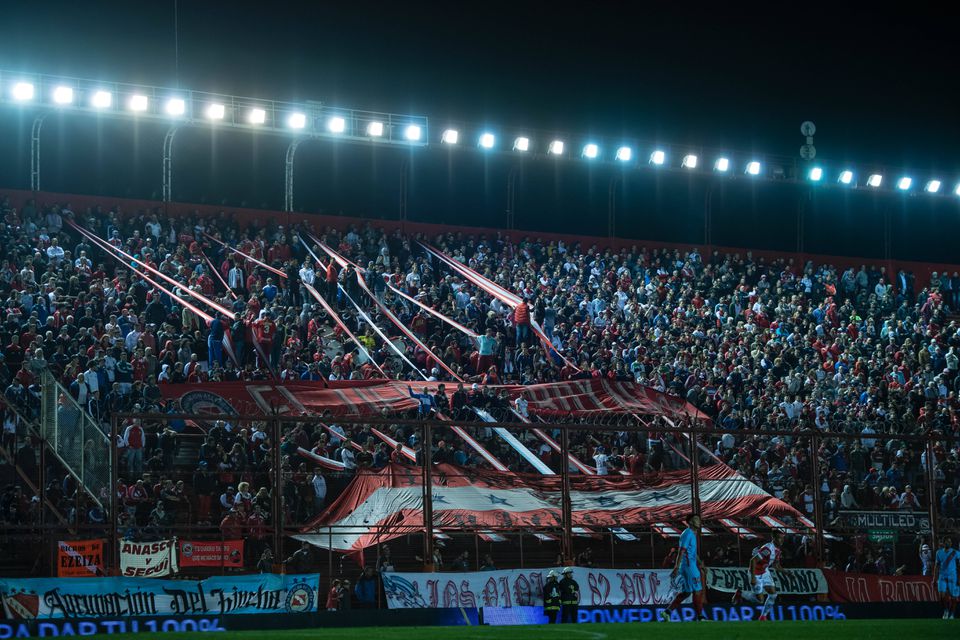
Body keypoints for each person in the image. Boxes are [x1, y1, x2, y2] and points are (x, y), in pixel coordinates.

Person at [661, 513, 707, 622]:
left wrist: (700, 564)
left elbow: (692, 552)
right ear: (690, 522)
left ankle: (666, 612)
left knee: (687, 592)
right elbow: (681, 551)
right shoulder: (687, 534)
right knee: (698, 590)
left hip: (690, 565)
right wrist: (676, 567)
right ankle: (700, 617)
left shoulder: (692, 534)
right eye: (696, 519)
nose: (699, 521)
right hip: (689, 566)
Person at [733, 530, 785, 621]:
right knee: (760, 600)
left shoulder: (778, 550)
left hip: (764, 572)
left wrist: (786, 572)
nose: (782, 540)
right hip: (755, 574)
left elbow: (776, 565)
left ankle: (763, 616)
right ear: (774, 538)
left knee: (773, 594)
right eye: (779, 538)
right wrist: (753, 577)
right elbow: (753, 561)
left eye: (782, 538)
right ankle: (741, 593)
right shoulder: (767, 549)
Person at [934, 536, 958, 619]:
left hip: (953, 576)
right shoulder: (938, 553)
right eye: (948, 541)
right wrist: (934, 579)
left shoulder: (955, 552)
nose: (950, 543)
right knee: (941, 596)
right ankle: (946, 610)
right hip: (942, 576)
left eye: (950, 542)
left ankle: (952, 614)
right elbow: (936, 566)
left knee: (954, 597)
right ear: (944, 543)